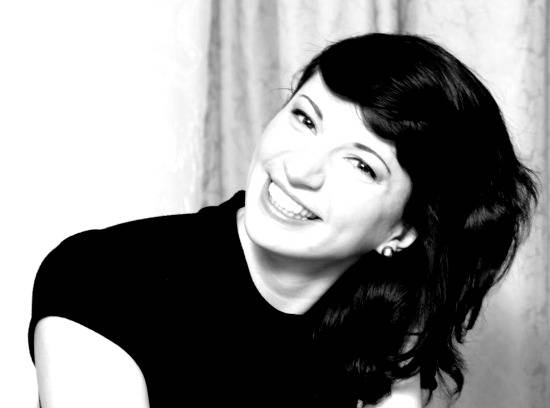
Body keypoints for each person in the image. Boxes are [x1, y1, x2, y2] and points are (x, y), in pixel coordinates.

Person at [28, 33, 538, 408]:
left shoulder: (385, 336)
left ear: (403, 231)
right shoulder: (103, 278)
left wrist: (401, 375)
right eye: (305, 118)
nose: (299, 169)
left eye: (361, 165)